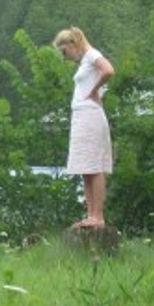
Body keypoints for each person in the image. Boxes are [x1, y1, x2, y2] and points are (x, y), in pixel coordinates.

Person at [53, 26, 115, 229]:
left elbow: (108, 70)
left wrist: (94, 90)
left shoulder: (92, 55)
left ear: (72, 44)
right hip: (81, 115)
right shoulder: (85, 61)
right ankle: (90, 214)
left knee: (94, 165)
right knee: (85, 167)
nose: (65, 56)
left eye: (64, 51)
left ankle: (98, 216)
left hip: (90, 115)